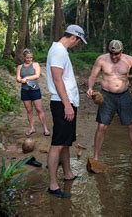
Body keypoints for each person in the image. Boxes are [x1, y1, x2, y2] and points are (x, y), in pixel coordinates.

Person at [86, 40, 132, 161]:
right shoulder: (101, 60)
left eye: (117, 54)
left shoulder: (130, 60)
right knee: (102, 126)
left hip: (124, 95)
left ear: (122, 51)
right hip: (107, 96)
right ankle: (96, 157)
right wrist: (90, 88)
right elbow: (92, 76)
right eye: (112, 53)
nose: (114, 57)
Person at [46, 24, 87, 199]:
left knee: (66, 141)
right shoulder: (58, 51)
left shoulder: (61, 50)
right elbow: (57, 79)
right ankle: (53, 185)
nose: (77, 44)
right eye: (78, 41)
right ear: (74, 37)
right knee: (57, 143)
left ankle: (68, 173)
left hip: (67, 102)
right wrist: (67, 105)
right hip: (62, 103)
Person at [16, 48, 50, 137]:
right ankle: (32, 128)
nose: (29, 59)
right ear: (24, 57)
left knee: (39, 109)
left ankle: (45, 128)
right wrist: (21, 80)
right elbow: (18, 78)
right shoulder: (20, 67)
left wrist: (26, 78)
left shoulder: (35, 65)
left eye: (31, 57)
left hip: (35, 90)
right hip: (25, 91)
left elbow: (37, 75)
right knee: (29, 110)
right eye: (27, 58)